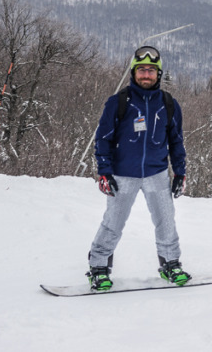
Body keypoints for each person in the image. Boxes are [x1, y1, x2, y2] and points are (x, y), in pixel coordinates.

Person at [86, 45, 190, 291]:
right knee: (113, 222)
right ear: (133, 73)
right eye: (141, 70)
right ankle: (98, 268)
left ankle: (171, 264)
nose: (146, 75)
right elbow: (103, 139)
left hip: (157, 173)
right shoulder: (118, 102)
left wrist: (180, 172)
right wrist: (104, 171)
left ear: (158, 75)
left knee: (166, 221)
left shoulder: (168, 104)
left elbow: (176, 141)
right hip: (123, 174)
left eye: (151, 71)